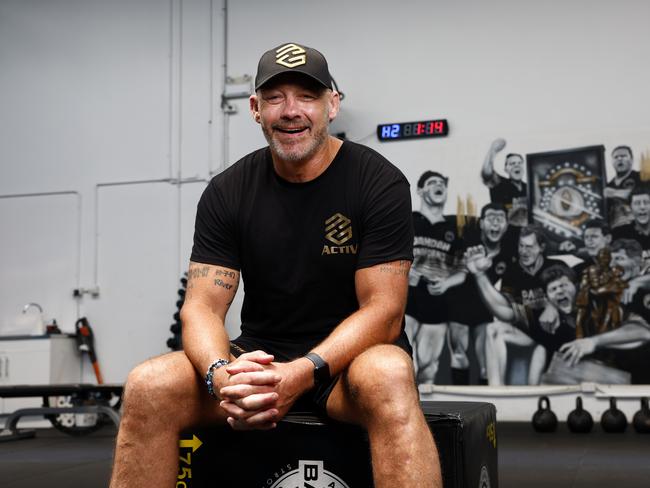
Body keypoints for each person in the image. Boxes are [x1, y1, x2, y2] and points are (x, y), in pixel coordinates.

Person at [109, 43, 441, 487]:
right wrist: (221, 376)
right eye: (275, 97)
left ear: (332, 105)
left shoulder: (377, 181)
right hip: (259, 362)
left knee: (389, 373)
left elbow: (384, 311)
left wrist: (304, 371)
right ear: (255, 109)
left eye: (306, 96)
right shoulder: (228, 191)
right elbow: (201, 309)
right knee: (148, 384)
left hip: (344, 369)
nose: (291, 111)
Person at [482, 225, 565, 384]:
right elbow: (506, 308)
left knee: (534, 387)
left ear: (541, 247)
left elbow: (573, 295)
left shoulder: (557, 267)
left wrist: (553, 305)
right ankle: (495, 391)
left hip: (551, 337)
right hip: (527, 332)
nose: (524, 251)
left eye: (529, 246)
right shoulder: (512, 272)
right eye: (521, 246)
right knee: (492, 330)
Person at [446, 203, 517, 384]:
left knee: (486, 365)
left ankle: (485, 408)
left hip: (485, 311)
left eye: (500, 219)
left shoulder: (510, 252)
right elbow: (447, 269)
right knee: (459, 356)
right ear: (482, 223)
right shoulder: (467, 243)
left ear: (507, 225)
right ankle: (460, 405)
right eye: (491, 218)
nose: (495, 223)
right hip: (458, 307)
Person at [405, 171, 465, 384]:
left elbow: (463, 271)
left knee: (428, 367)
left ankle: (423, 414)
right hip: (407, 298)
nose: (439, 185)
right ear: (420, 191)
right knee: (403, 360)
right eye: (432, 182)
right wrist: (404, 271)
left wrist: (447, 282)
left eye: (442, 183)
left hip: (437, 301)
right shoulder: (407, 220)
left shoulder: (455, 229)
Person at [480, 138, 528, 226]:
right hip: (504, 232)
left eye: (519, 163)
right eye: (512, 164)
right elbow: (486, 174)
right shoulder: (500, 184)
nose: (516, 165)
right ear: (506, 169)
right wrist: (492, 150)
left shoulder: (529, 187)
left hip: (525, 235)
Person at [612, 184, 650, 271]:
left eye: (646, 202)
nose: (642, 207)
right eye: (637, 203)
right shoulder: (619, 233)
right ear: (630, 208)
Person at [604, 145, 640, 227]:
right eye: (616, 157)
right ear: (612, 162)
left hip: (639, 230)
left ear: (632, 160)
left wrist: (614, 193)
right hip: (615, 232)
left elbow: (645, 195)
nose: (619, 159)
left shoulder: (641, 177)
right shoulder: (608, 185)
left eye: (623, 156)